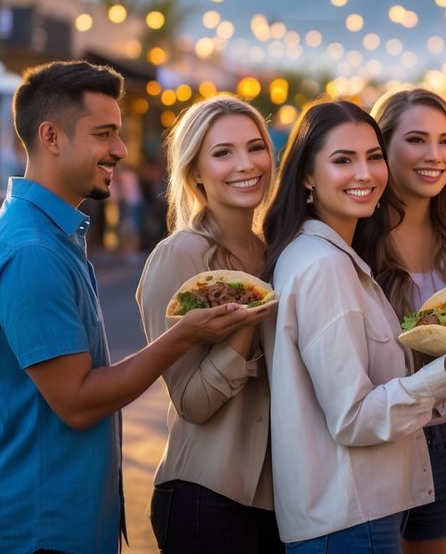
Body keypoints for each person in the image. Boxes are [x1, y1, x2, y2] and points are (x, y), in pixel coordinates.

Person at [0, 61, 256, 553]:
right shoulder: (32, 251)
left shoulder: (33, 233)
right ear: (51, 137)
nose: (120, 149)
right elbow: (77, 402)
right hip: (41, 534)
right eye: (104, 134)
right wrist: (185, 335)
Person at [261, 100, 446, 552]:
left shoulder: (336, 252)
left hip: (387, 476)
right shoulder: (327, 263)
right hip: (351, 500)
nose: (364, 173)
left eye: (371, 157)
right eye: (343, 160)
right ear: (307, 174)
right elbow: (353, 418)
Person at [135, 95, 282, 553]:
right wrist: (243, 324)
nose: (246, 164)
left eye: (256, 147)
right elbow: (192, 403)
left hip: (282, 502)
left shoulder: (277, 252)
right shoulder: (180, 255)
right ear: (195, 171)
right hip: (206, 498)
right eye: (223, 153)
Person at [372, 88, 446, 554]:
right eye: (417, 140)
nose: (435, 155)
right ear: (382, 147)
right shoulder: (355, 232)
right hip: (372, 440)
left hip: (440, 436)